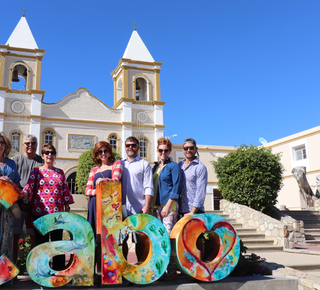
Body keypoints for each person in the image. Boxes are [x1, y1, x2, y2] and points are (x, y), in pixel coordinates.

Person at [22, 144, 73, 270]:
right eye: (47, 152)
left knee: (57, 243)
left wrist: (67, 206)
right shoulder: (36, 171)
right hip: (40, 212)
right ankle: (42, 272)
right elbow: (29, 186)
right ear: (43, 155)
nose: (50, 155)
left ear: (55, 155)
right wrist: (24, 193)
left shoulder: (60, 172)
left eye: (52, 152)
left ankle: (58, 272)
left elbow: (65, 190)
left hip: (57, 214)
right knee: (42, 244)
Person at [151, 137, 181, 280]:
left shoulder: (173, 166)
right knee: (159, 238)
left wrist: (167, 206)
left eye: (166, 150)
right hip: (156, 207)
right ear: (157, 151)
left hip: (168, 208)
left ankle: (171, 270)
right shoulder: (156, 167)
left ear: (170, 151)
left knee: (167, 238)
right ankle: (162, 269)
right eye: (160, 150)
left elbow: (176, 187)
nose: (163, 152)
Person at [121, 136, 153, 261]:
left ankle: (137, 272)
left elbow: (148, 186)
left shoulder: (144, 164)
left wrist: (147, 206)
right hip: (122, 208)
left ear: (138, 147)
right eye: (128, 145)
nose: (130, 147)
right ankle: (126, 269)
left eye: (133, 145)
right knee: (124, 239)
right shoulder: (120, 164)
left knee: (138, 239)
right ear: (125, 147)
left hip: (138, 207)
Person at [12, 134, 43, 264]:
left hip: (34, 207)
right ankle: (12, 270)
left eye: (33, 143)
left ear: (37, 145)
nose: (30, 146)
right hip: (17, 206)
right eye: (27, 143)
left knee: (34, 238)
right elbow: (12, 181)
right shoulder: (16, 160)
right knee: (14, 237)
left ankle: (34, 269)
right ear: (23, 145)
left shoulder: (42, 161)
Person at [85, 141, 123, 239]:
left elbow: (115, 181)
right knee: (94, 234)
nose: (103, 154)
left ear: (109, 152)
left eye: (105, 151)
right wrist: (98, 192)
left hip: (109, 205)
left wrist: (103, 180)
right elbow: (87, 191)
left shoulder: (116, 164)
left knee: (108, 236)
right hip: (94, 203)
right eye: (99, 152)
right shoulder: (94, 170)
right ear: (96, 154)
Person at [0, 132, 21, 261]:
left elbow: (18, 184)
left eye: (2, 143)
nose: (0, 145)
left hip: (8, 206)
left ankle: (5, 277)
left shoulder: (11, 163)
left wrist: (10, 182)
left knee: (6, 239)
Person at [179, 138, 208, 216]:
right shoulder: (179, 166)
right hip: (181, 210)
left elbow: (201, 192)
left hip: (195, 212)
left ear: (196, 149)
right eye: (186, 148)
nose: (188, 150)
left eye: (191, 148)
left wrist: (192, 212)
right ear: (183, 150)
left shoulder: (200, 167)